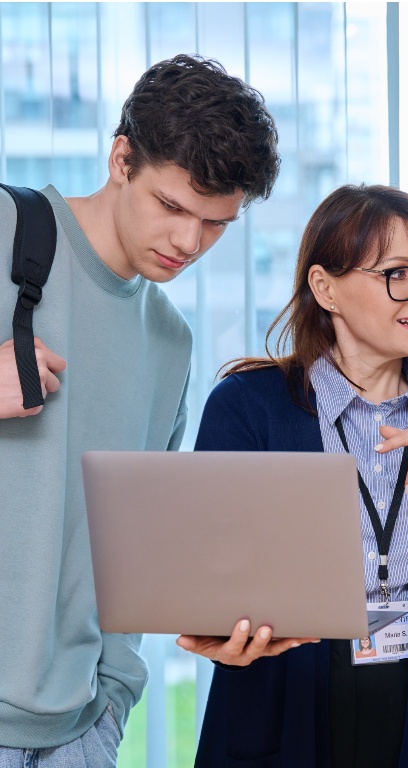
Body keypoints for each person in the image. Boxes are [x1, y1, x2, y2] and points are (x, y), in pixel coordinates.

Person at [178, 184, 408, 768]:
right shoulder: (247, 408)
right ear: (325, 288)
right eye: (398, 274)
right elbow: (209, 592)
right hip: (278, 719)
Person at [0, 54, 279, 764]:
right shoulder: (7, 233)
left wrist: (114, 701)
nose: (189, 243)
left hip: (75, 736)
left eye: (216, 223)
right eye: (172, 207)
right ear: (121, 159)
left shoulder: (169, 344)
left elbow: (130, 556)